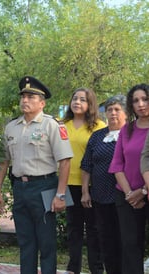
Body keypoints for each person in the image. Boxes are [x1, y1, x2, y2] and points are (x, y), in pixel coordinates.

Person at [0, 76, 73, 274]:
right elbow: (4, 161)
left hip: (45, 187)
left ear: (42, 103)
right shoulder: (11, 127)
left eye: (30, 97)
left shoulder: (52, 125)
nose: (25, 100)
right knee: (25, 242)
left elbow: (65, 161)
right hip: (20, 188)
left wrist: (61, 194)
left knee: (46, 243)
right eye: (23, 96)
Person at [81, 95, 127, 274]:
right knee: (106, 241)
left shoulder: (131, 134)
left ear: (126, 112)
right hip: (100, 197)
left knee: (125, 241)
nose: (113, 113)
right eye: (109, 110)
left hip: (126, 197)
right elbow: (86, 166)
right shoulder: (98, 136)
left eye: (117, 109)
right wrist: (85, 191)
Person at [62, 88, 106, 274]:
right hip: (68, 185)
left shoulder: (99, 127)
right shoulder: (62, 125)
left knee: (94, 231)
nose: (77, 102)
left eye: (82, 99)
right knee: (74, 230)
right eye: (75, 98)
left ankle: (96, 269)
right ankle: (74, 268)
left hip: (92, 186)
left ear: (90, 104)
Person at [109, 84, 149, 274]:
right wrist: (130, 194)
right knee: (130, 246)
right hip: (126, 197)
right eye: (136, 100)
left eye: (145, 99)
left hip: (146, 193)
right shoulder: (128, 130)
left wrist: (142, 192)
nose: (141, 104)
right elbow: (117, 164)